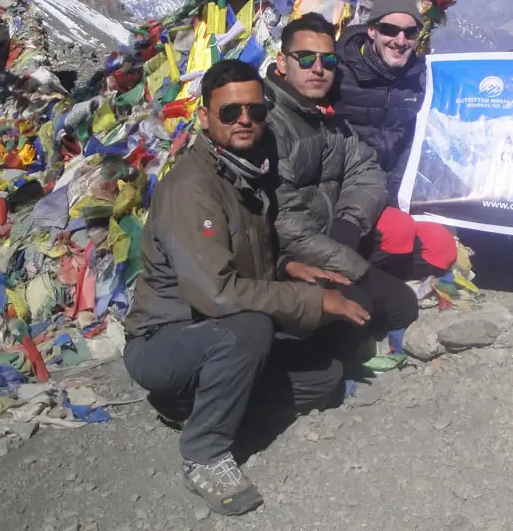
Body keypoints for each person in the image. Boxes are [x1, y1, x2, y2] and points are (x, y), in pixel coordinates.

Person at [123, 59, 373, 515]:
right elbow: (216, 291)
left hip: (217, 329)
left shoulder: (243, 171)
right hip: (168, 337)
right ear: (204, 117)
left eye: (255, 113)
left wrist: (290, 267)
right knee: (251, 329)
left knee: (325, 379)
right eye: (230, 112)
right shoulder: (192, 186)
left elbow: (249, 256)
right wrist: (312, 301)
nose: (245, 121)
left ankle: (194, 404)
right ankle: (204, 453)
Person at [263, 13, 421, 328]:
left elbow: (367, 171)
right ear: (282, 63)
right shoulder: (267, 122)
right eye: (305, 59)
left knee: (404, 295)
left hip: (333, 239)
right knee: (380, 309)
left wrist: (350, 221)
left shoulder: (330, 120)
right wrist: (347, 262)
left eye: (328, 60)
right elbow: (283, 220)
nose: (318, 69)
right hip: (290, 255)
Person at [333, 0, 458, 278]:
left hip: (395, 192)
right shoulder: (339, 72)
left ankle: (379, 278)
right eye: (390, 30)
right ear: (372, 30)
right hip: (347, 192)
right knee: (397, 233)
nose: (400, 41)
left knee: (442, 248)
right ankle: (356, 284)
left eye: (409, 32)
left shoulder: (420, 79)